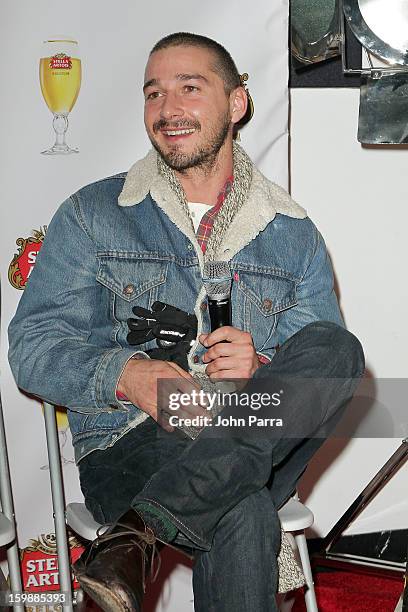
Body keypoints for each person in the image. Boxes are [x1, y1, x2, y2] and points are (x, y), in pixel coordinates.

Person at [8, 32, 364, 612]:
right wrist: (129, 376)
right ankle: (155, 519)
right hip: (131, 441)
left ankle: (140, 531)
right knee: (242, 509)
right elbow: (33, 344)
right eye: (154, 94)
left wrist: (261, 369)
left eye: (189, 88)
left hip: (253, 433)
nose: (168, 109)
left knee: (337, 349)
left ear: (237, 104)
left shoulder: (292, 233)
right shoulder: (94, 215)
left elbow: (315, 379)